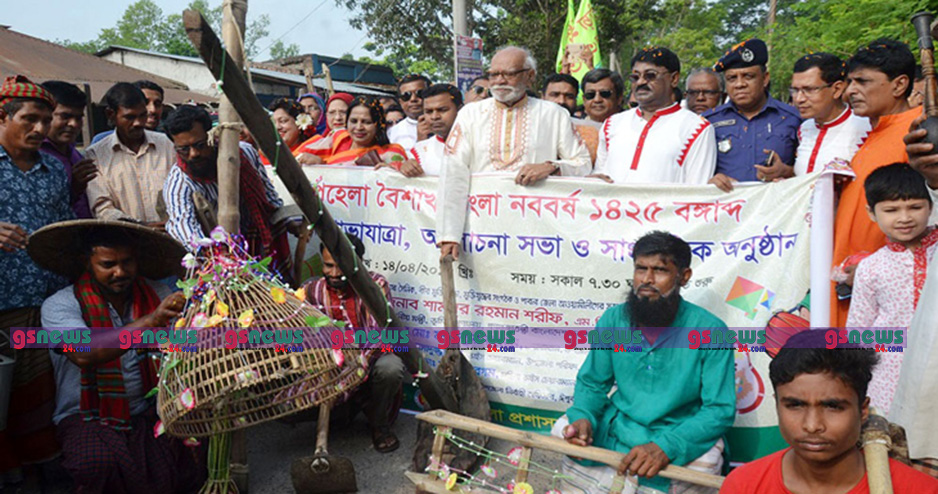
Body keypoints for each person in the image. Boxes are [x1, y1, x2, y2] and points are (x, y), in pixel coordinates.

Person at [31, 220, 204, 493]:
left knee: (190, 453)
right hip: (86, 415)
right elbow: (84, 353)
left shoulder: (158, 294)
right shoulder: (60, 305)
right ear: (87, 263)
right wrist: (150, 321)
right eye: (108, 264)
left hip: (150, 407)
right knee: (96, 464)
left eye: (127, 262)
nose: (120, 272)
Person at [558, 232, 734, 494]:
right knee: (562, 430)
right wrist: (584, 416)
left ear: (684, 276)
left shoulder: (711, 330)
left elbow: (719, 409)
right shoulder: (614, 319)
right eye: (641, 268)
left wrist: (666, 447)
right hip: (619, 426)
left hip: (678, 430)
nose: (647, 279)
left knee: (706, 463)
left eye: (660, 270)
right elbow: (592, 382)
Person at [720, 330, 938, 493]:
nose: (812, 425)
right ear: (777, 405)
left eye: (833, 406)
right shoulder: (744, 486)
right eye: (795, 405)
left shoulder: (919, 490)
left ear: (863, 410)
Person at [437, 46, 592, 259]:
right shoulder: (470, 114)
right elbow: (453, 173)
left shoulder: (553, 114)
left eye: (508, 74)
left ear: (530, 76)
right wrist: (449, 235)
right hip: (481, 230)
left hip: (537, 231)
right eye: (493, 74)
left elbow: (583, 164)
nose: (499, 81)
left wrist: (551, 167)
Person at [0, 75, 73, 487]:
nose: (41, 129)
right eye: (29, 119)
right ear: (2, 116)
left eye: (46, 120)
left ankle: (37, 468)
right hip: (3, 304)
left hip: (45, 304)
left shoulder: (54, 171)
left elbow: (63, 231)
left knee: (38, 394)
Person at [831, 39, 920, 328]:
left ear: (899, 84)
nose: (850, 91)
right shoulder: (876, 133)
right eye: (849, 82)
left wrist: (877, 268)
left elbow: (925, 220)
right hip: (856, 283)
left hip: (893, 299)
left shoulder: (917, 135)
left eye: (862, 81)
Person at [162, 105, 299, 279]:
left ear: (211, 135)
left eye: (199, 145)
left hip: (261, 243)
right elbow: (184, 228)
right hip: (219, 265)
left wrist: (288, 221)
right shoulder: (179, 183)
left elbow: (269, 198)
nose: (194, 154)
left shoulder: (245, 153)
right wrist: (217, 256)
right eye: (184, 149)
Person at [845, 163, 936, 417]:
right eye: (891, 210)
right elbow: (858, 332)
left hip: (934, 368)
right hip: (889, 376)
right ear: (871, 213)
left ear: (931, 206)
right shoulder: (871, 267)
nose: (904, 218)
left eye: (915, 207)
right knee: (893, 434)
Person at [303, 234, 405, 453]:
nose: (334, 273)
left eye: (340, 266)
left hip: (371, 358)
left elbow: (377, 336)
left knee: (391, 368)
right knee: (291, 403)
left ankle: (379, 424)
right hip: (332, 365)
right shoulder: (312, 291)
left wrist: (352, 368)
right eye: (328, 266)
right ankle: (343, 413)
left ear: (356, 263)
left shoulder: (375, 285)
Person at [591, 46, 716, 184]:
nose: (640, 82)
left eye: (650, 75)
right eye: (635, 77)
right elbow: (599, 179)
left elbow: (698, 190)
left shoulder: (696, 128)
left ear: (674, 79)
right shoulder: (612, 124)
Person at [705, 38, 801, 191]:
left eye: (748, 76)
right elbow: (694, 172)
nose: (740, 84)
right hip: (726, 203)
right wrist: (710, 180)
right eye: (732, 78)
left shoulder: (794, 119)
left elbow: (812, 171)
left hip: (778, 203)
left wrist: (786, 171)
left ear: (765, 78)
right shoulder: (708, 122)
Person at [84, 82, 175, 227]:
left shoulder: (167, 145)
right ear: (111, 115)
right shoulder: (96, 156)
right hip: (126, 237)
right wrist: (143, 227)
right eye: (130, 117)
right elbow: (103, 210)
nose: (138, 123)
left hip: (172, 234)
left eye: (142, 115)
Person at [790, 53, 871, 176]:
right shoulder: (805, 129)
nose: (799, 99)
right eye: (795, 90)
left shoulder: (865, 128)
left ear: (837, 89)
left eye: (809, 90)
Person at [40, 80, 97, 218]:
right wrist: (73, 188)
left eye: (79, 118)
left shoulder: (77, 155)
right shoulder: (32, 157)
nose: (73, 124)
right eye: (65, 116)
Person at [297, 96, 407, 167]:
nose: (359, 127)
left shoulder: (390, 153)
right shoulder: (337, 138)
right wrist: (320, 165)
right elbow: (295, 158)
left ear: (378, 125)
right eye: (353, 121)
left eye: (367, 122)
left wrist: (389, 170)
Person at [385, 84, 463, 177]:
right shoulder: (419, 151)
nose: (434, 117)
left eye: (442, 110)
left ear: (460, 110)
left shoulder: (476, 143)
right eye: (429, 111)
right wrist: (401, 168)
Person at [90, 80, 166, 144]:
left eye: (157, 104)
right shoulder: (102, 142)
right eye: (145, 103)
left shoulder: (166, 142)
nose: (152, 109)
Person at [259, 97, 318, 165]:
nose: (277, 127)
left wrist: (319, 163)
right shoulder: (264, 155)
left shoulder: (314, 149)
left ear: (299, 123)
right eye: (273, 123)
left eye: (283, 121)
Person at [387, 74, 431, 149]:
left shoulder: (446, 124)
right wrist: (420, 142)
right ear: (400, 102)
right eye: (406, 96)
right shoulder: (394, 132)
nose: (413, 99)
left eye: (420, 93)